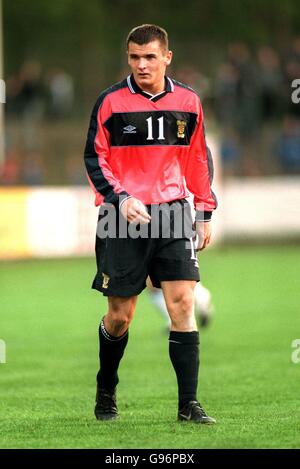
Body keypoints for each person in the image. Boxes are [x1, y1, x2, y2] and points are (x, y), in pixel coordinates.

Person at [84, 24, 217, 424]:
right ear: (129, 58)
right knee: (121, 315)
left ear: (166, 58)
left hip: (174, 212)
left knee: (182, 303)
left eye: (150, 57)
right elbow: (95, 159)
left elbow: (197, 157)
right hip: (120, 216)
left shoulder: (189, 101)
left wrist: (204, 210)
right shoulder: (109, 102)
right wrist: (120, 199)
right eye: (134, 57)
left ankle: (188, 405)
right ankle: (106, 388)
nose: (141, 65)